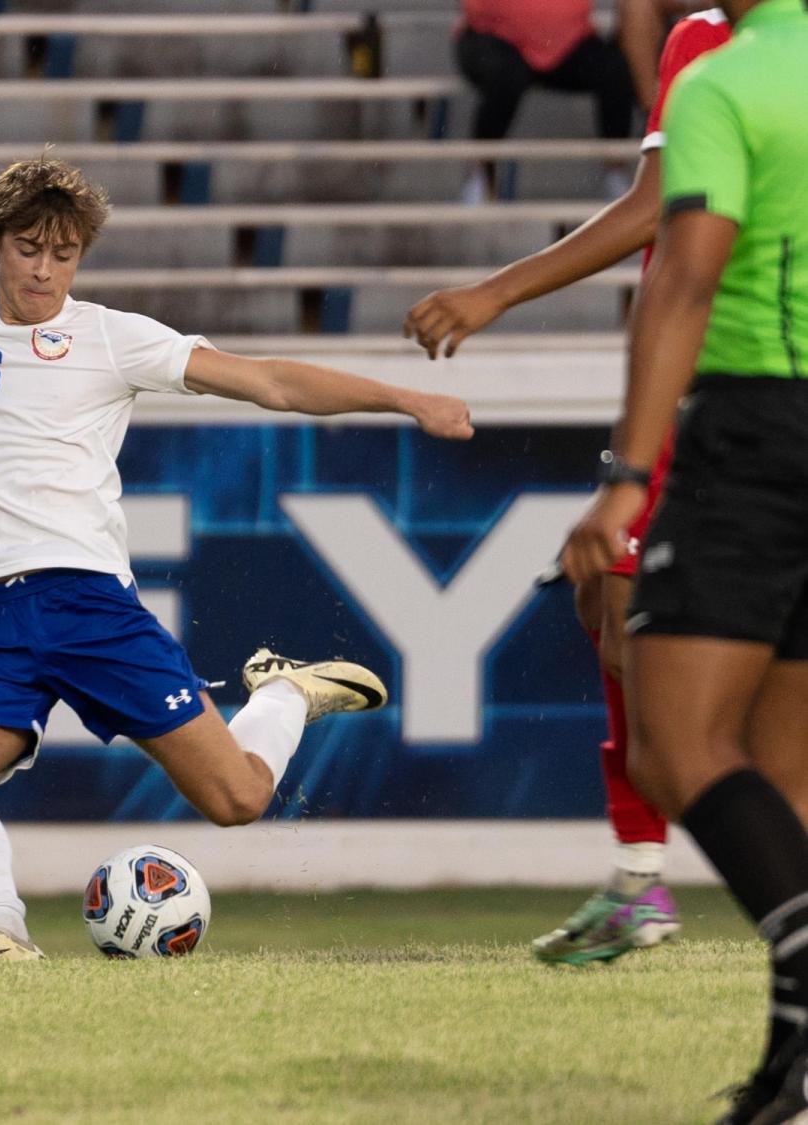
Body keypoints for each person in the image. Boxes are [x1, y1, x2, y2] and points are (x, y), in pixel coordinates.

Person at [0, 158, 474, 964]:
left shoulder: (107, 336)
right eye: (29, 248)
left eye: (64, 255)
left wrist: (407, 399)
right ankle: (1, 935)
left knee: (237, 798)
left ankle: (286, 694)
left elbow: (268, 381)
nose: (45, 269)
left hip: (87, 603)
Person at [406, 8, 731, 967]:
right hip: (695, 380)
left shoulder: (729, 53)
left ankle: (680, 856)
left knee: (649, 615)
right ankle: (641, 876)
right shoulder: (700, 39)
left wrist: (495, 292)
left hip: (743, 382)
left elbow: (657, 205)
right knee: (607, 593)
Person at [558, 1, 808, 1118]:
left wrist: (625, 474)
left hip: (759, 431)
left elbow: (685, 278)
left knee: (673, 743)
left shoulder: (722, 79)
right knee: (784, 772)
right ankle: (793, 1072)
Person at [456, 0, 636, 203]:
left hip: (565, 40)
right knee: (506, 76)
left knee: (615, 70)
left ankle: (616, 168)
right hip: (495, 36)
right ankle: (481, 168)